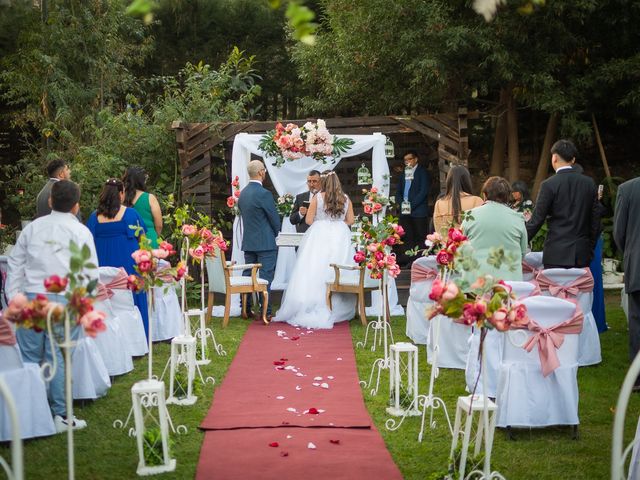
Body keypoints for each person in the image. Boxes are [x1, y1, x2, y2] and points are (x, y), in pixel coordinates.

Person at [6, 180, 97, 432]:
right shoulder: (81, 232)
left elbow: (15, 264)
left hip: (33, 297)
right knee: (60, 357)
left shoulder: (32, 229)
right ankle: (60, 415)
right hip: (66, 299)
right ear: (76, 206)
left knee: (30, 356)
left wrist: (14, 296)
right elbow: (90, 272)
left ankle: (28, 412)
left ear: (50, 201)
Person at [274, 170, 357, 329]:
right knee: (338, 269)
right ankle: (338, 306)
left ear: (323, 183)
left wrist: (324, 223)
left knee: (314, 269)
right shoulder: (345, 199)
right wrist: (337, 224)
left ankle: (313, 303)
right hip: (340, 238)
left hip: (319, 237)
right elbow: (351, 220)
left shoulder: (318, 198)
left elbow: (310, 220)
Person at [86, 179, 149, 338]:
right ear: (121, 194)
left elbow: (88, 243)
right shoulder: (131, 215)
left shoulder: (94, 218)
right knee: (132, 300)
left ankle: (107, 338)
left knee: (106, 302)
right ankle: (137, 338)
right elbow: (143, 241)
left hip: (103, 267)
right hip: (128, 267)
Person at [526, 139, 600, 268]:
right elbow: (595, 221)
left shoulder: (548, 185)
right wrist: (589, 248)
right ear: (573, 160)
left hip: (555, 253)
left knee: (554, 287)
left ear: (554, 158)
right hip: (581, 253)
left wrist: (519, 243)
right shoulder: (589, 183)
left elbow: (537, 220)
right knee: (579, 288)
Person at [237, 160, 280, 322]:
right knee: (266, 276)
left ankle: (245, 309)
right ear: (261, 172)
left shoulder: (243, 193)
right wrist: (277, 232)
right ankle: (266, 311)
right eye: (265, 171)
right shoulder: (264, 194)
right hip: (265, 242)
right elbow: (273, 218)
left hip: (249, 242)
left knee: (248, 276)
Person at [462, 177, 527, 280]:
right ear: (507, 196)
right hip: (510, 284)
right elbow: (523, 252)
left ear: (484, 194)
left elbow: (460, 248)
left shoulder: (469, 216)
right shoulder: (518, 218)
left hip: (475, 282)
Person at [613, 175, 640, 389]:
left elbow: (619, 233)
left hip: (638, 263)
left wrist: (629, 253)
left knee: (637, 321)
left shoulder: (628, 189)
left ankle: (637, 378)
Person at [395, 151, 430, 266]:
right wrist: (401, 204)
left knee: (420, 237)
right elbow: (398, 192)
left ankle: (419, 261)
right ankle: (407, 260)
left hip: (418, 211)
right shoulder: (403, 174)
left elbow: (423, 192)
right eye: (405, 160)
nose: (407, 162)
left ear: (416, 159)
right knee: (406, 237)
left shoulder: (422, 172)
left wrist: (411, 206)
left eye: (410, 159)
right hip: (405, 212)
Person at [433, 165, 483, 234]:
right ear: (467, 181)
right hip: (470, 243)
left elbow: (439, 232)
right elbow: (481, 228)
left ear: (448, 181)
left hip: (447, 244)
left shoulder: (439, 203)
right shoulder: (476, 201)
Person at [123, 166, 163, 248]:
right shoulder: (150, 198)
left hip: (128, 240)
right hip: (149, 240)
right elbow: (159, 225)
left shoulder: (122, 198)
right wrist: (155, 237)